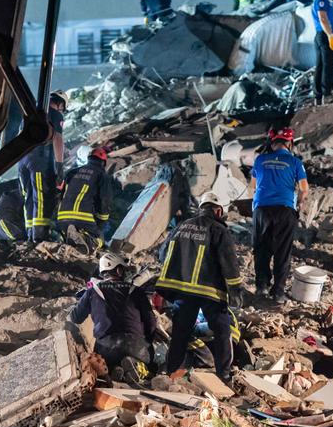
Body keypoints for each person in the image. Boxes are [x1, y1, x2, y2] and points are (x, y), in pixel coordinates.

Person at [157, 192, 242, 381]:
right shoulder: (219, 230)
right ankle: (224, 375)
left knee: (180, 332)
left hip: (182, 290)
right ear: (218, 210)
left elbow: (162, 255)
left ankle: (170, 372)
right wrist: (235, 292)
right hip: (209, 291)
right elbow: (230, 265)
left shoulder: (181, 227)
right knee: (222, 331)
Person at [69, 252, 156, 383]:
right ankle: (138, 367)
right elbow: (151, 321)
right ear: (119, 270)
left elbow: (75, 318)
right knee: (150, 362)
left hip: (106, 347)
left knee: (104, 362)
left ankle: (114, 369)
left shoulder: (93, 291)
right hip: (136, 346)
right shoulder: (136, 291)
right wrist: (147, 341)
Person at [251, 128, 308, 303]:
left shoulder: (259, 160)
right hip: (284, 210)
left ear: (272, 142)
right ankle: (278, 291)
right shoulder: (295, 162)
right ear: (290, 144)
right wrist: (299, 204)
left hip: (262, 210)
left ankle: (261, 286)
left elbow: (252, 186)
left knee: (262, 249)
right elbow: (304, 189)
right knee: (282, 251)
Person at [18, 109, 64, 242]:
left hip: (22, 160)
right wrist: (59, 166)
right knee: (41, 197)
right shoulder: (55, 113)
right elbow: (57, 138)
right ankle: (40, 237)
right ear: (60, 103)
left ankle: (30, 234)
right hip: (38, 158)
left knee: (29, 197)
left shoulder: (29, 115)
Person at [57, 147, 113, 253]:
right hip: (83, 218)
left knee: (71, 233)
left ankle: (70, 239)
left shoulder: (71, 172)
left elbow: (61, 195)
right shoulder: (102, 176)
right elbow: (104, 200)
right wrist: (101, 221)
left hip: (62, 217)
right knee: (100, 239)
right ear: (103, 162)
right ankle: (90, 241)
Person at [312, 0, 333, 106]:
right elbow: (322, 18)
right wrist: (330, 35)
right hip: (325, 35)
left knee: (321, 66)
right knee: (328, 66)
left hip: (320, 35)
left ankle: (318, 96)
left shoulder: (324, 0)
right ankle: (326, 95)